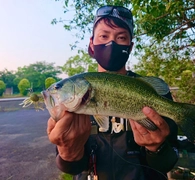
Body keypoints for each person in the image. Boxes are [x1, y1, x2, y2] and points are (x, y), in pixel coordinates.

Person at [47, 5, 179, 180]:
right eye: (103, 36)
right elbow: (73, 168)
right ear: (92, 44)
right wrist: (68, 153)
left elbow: (168, 162)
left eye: (121, 37)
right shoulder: (74, 102)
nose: (112, 43)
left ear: (130, 47)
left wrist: (158, 148)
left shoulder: (153, 92)